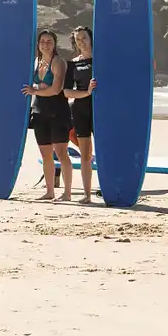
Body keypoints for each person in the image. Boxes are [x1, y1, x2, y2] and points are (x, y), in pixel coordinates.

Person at [22, 29, 74, 201]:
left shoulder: (58, 62)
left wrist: (34, 90)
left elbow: (56, 89)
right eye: (43, 41)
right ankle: (50, 191)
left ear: (54, 44)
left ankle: (67, 193)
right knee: (45, 155)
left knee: (61, 153)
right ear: (38, 44)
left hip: (58, 112)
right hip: (39, 112)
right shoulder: (36, 62)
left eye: (49, 41)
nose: (45, 44)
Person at [64, 26, 96, 204]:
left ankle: (112, 188)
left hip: (102, 110)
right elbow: (67, 92)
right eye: (78, 39)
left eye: (84, 37)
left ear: (91, 38)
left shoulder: (101, 58)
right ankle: (87, 194)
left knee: (106, 152)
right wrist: (86, 93)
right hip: (81, 110)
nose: (81, 41)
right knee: (85, 154)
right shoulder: (73, 63)